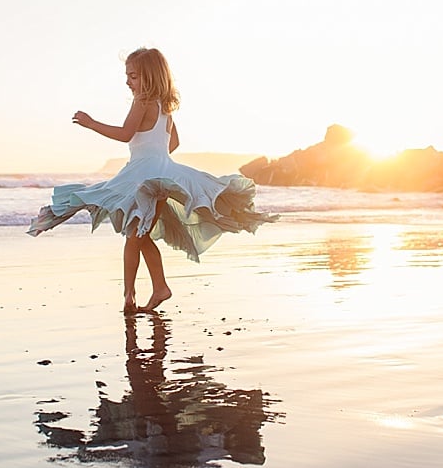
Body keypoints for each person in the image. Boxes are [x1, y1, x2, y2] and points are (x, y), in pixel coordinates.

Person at [27, 47, 275, 311]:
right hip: (161, 176)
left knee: (133, 236)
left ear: (148, 76)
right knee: (139, 235)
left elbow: (125, 134)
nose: (127, 82)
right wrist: (157, 158)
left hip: (144, 177)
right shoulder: (165, 107)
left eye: (132, 76)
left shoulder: (143, 102)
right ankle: (158, 288)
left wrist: (92, 123)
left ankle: (129, 297)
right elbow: (174, 142)